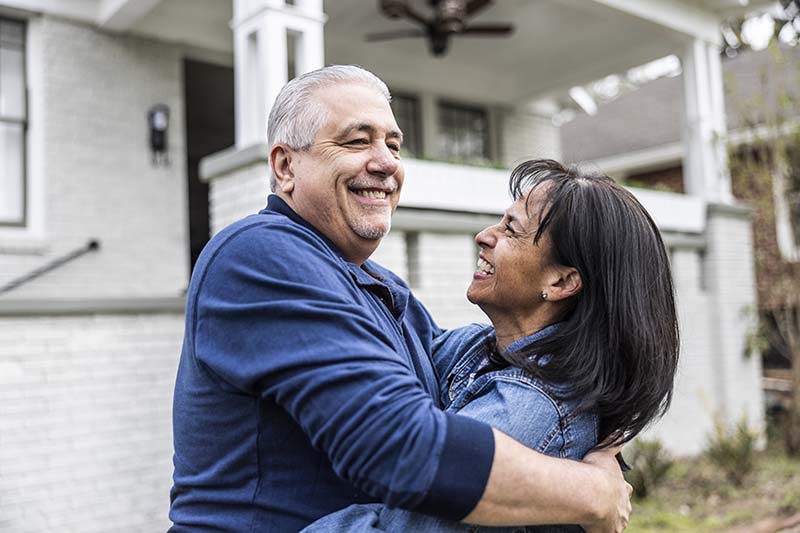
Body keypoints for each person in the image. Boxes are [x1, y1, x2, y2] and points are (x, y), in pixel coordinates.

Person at [169, 66, 632, 533]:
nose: (387, 163)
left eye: (393, 144)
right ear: (286, 167)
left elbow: (471, 360)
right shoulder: (260, 254)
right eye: (356, 141)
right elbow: (399, 445)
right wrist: (592, 492)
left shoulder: (379, 286)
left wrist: (591, 376)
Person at [302, 159, 680, 532]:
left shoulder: (530, 409)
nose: (485, 235)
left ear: (562, 282)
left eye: (511, 230)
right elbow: (404, 335)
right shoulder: (486, 349)